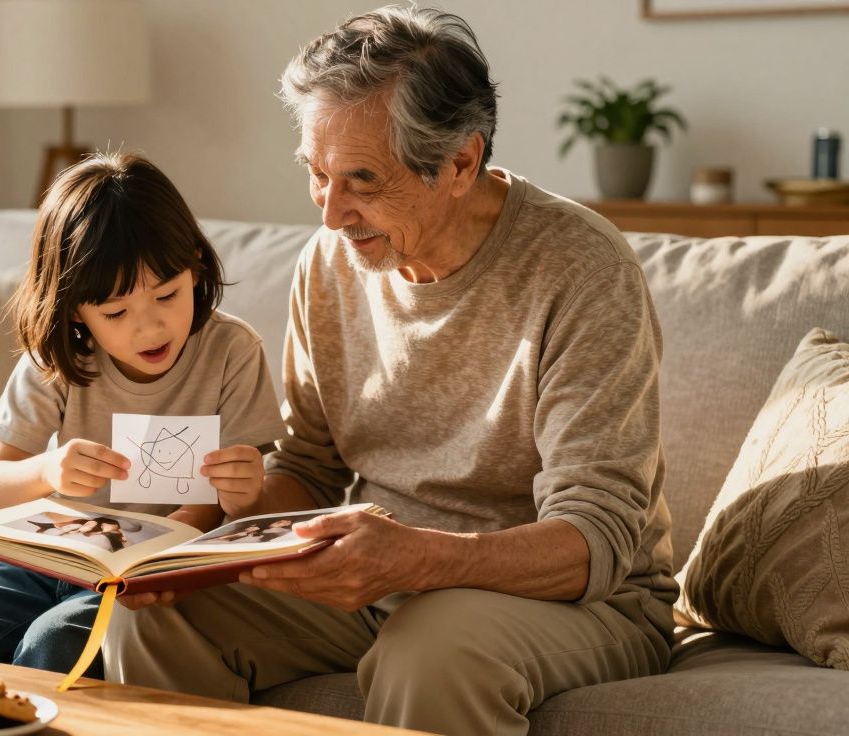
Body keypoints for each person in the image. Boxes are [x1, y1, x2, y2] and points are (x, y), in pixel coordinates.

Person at [103, 6, 677, 734]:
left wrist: (416, 559)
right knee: (156, 622)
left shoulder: (582, 269)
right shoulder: (331, 264)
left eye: (362, 180)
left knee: (431, 649)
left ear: (460, 163)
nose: (332, 215)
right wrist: (194, 540)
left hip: (577, 602)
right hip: (379, 583)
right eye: (317, 176)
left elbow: (593, 541)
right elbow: (309, 467)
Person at [0, 152, 287, 680]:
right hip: (43, 560)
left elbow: (236, 511)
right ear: (76, 308)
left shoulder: (231, 352)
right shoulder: (59, 358)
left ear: (195, 266)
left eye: (167, 295)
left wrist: (236, 498)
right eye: (116, 313)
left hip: (144, 577)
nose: (149, 329)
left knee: (57, 643)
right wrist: (48, 471)